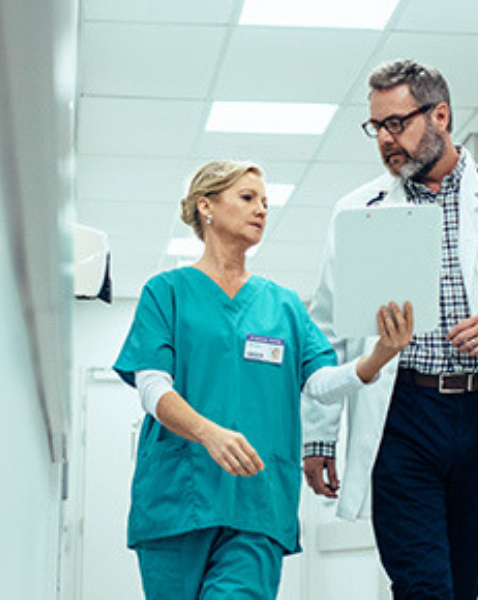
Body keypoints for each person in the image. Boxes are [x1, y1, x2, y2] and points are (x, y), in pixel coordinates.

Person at [302, 60, 478, 599]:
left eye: (397, 124)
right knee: (422, 587)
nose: (386, 141)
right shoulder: (358, 212)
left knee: (462, 587)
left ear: (441, 115)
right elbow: (328, 337)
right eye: (376, 127)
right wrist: (319, 433)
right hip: (403, 415)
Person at [113, 160, 413, 600]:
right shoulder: (167, 292)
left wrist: (378, 358)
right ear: (206, 207)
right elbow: (153, 388)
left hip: (258, 501)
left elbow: (321, 383)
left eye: (266, 203)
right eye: (248, 198)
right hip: (177, 499)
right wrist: (209, 434)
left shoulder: (284, 305)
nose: (261, 211)